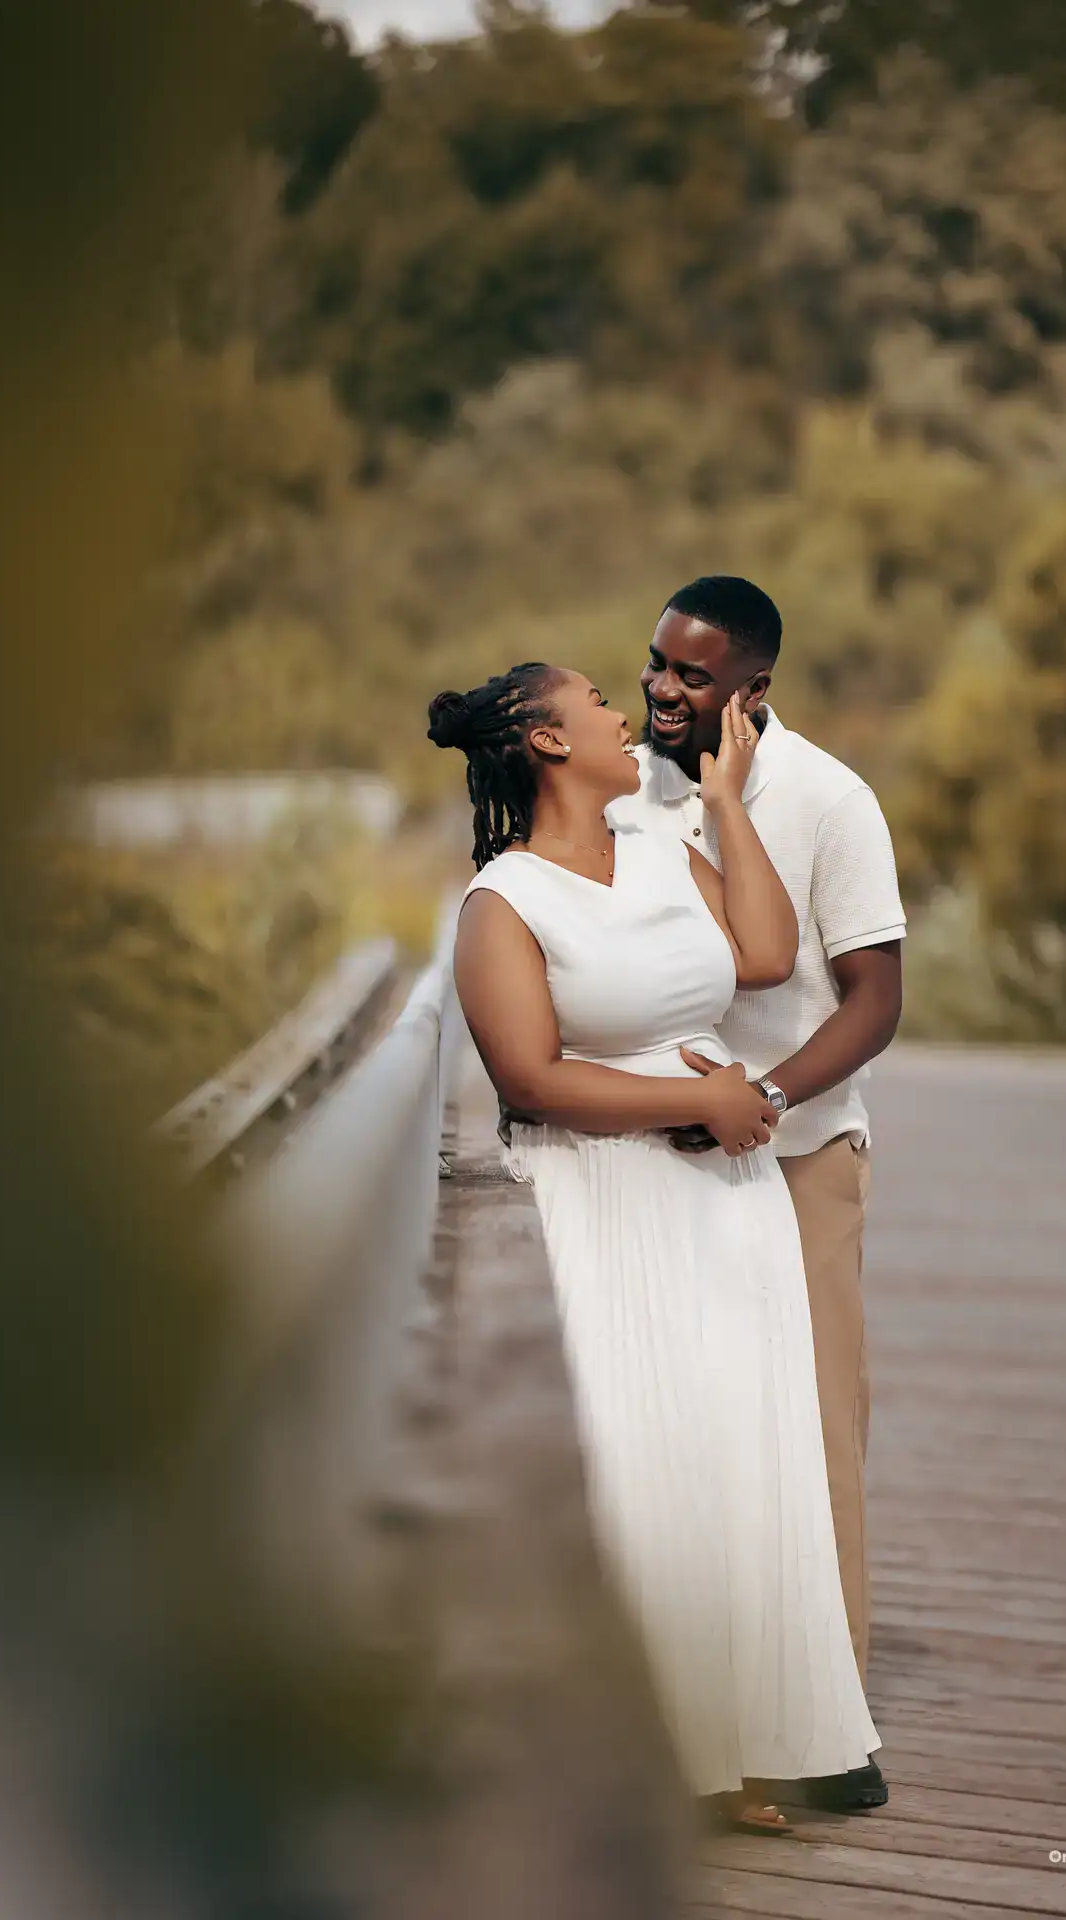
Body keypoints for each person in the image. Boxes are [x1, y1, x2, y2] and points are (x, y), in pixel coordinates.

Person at [431, 662, 879, 1836]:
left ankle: (745, 1749)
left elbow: (769, 955)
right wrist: (704, 1106)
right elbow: (529, 1078)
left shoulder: (663, 843)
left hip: (727, 1202)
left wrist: (727, 804)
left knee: (741, 1451)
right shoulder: (502, 905)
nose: (623, 714)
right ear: (544, 738)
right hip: (608, 1199)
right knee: (641, 1465)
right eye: (594, 700)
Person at [618, 575, 904, 1816]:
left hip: (797, 1159)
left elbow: (875, 1002)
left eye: (691, 675)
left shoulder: (831, 799)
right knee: (691, 1433)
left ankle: (828, 1723)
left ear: (753, 689)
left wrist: (767, 1099)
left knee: (818, 1427)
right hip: (656, 1162)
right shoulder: (620, 786)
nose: (664, 691)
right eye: (656, 666)